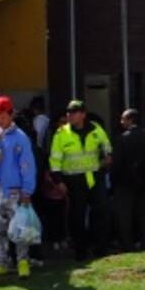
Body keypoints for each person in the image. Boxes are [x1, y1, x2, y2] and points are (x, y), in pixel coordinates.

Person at [0, 96, 38, 279]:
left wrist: (27, 190)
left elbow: (27, 165)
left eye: (3, 116)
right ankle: (0, 262)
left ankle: (23, 261)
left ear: (11, 114)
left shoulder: (20, 138)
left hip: (15, 190)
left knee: (20, 227)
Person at [48, 100, 112, 261]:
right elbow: (54, 160)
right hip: (73, 179)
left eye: (73, 112)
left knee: (101, 211)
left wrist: (107, 158)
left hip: (94, 176)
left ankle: (100, 248)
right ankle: (80, 250)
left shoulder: (96, 129)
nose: (69, 115)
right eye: (68, 112)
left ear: (83, 114)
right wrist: (59, 181)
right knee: (77, 216)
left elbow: (107, 148)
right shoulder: (61, 134)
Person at [110, 109, 145, 252]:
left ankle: (127, 245)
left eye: (123, 119)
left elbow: (116, 164)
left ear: (130, 120)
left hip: (125, 183)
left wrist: (114, 182)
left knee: (124, 216)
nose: (121, 122)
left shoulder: (122, 139)